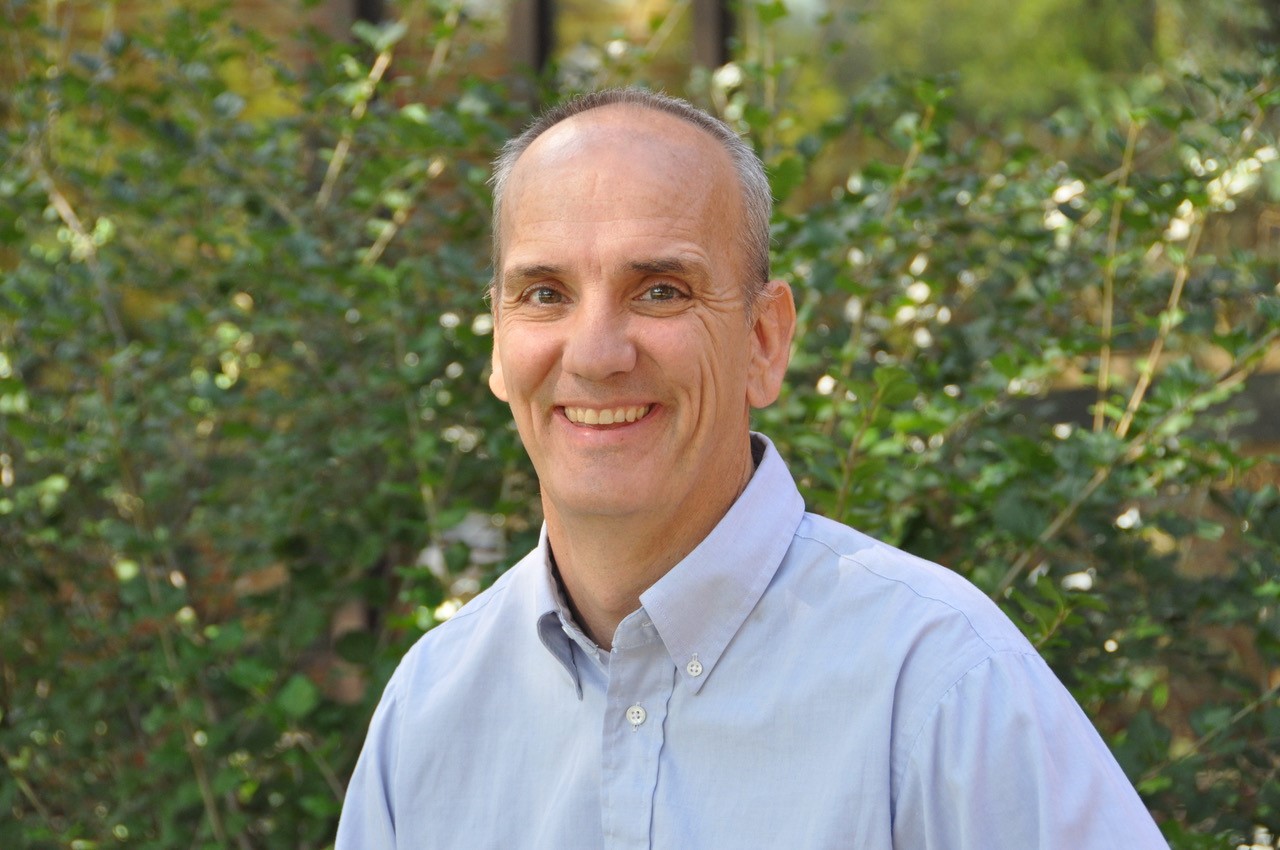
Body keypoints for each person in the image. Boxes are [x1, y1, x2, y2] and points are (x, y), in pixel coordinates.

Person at [335, 88, 1169, 849]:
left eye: (660, 290)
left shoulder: (939, 683)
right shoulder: (429, 713)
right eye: (545, 294)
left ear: (764, 341)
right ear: (496, 341)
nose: (594, 354)